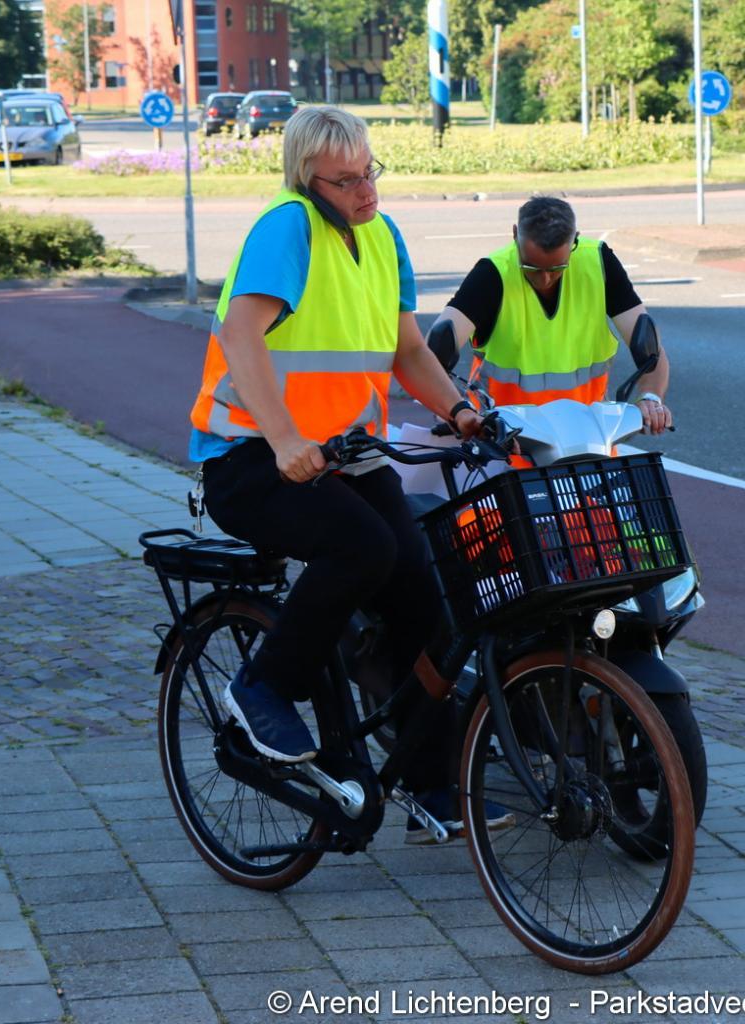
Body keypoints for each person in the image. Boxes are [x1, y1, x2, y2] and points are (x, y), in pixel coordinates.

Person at [189, 106, 509, 842]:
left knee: (423, 592)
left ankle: (431, 782)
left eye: (370, 172)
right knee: (363, 547)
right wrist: (282, 439)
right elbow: (241, 334)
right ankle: (262, 686)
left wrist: (461, 411)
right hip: (249, 456)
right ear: (308, 179)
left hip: (344, 455)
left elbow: (408, 351)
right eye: (346, 180)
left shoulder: (383, 236)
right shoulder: (288, 228)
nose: (367, 191)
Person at [429, 196, 673, 432]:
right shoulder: (492, 275)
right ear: (515, 234)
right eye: (531, 268)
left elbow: (648, 346)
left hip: (589, 440)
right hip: (504, 443)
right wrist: (458, 409)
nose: (545, 279)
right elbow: (435, 349)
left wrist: (650, 398)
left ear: (574, 240)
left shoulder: (598, 263)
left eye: (557, 268)